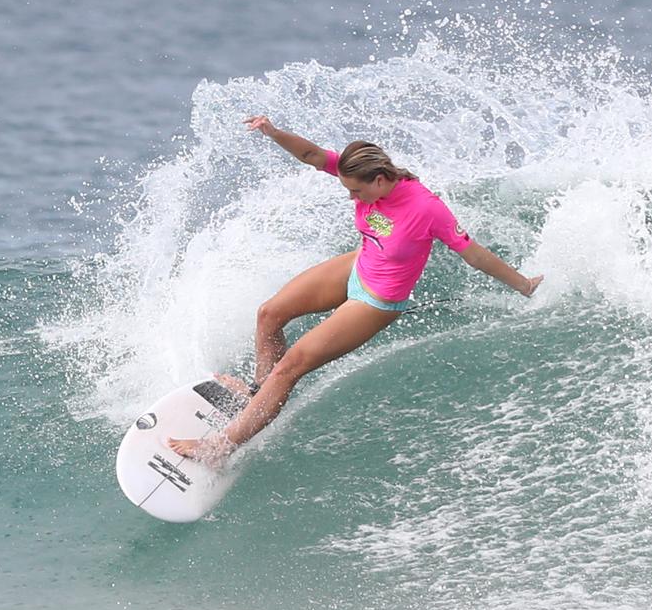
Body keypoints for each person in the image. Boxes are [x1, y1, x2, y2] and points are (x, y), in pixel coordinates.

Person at [168, 115, 542, 462]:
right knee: (269, 314)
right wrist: (273, 132)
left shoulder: (427, 209)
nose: (351, 197)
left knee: (290, 367)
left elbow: (474, 255)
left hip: (377, 300)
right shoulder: (362, 176)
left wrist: (523, 284)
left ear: (380, 179)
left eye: (355, 191)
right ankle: (257, 398)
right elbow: (313, 155)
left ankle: (222, 445)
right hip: (359, 265)